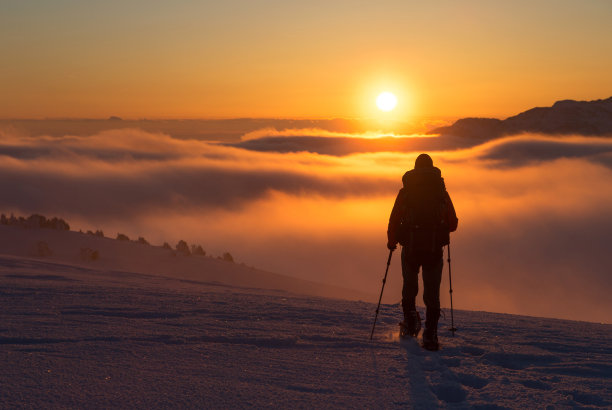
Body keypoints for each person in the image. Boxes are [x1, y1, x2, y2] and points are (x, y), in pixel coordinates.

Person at [386, 153, 458, 350]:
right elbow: (453, 224)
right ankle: (430, 335)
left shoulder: (406, 191)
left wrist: (392, 242)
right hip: (434, 249)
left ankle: (410, 325)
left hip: (410, 247)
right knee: (432, 292)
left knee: (409, 286)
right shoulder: (441, 192)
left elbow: (394, 219)